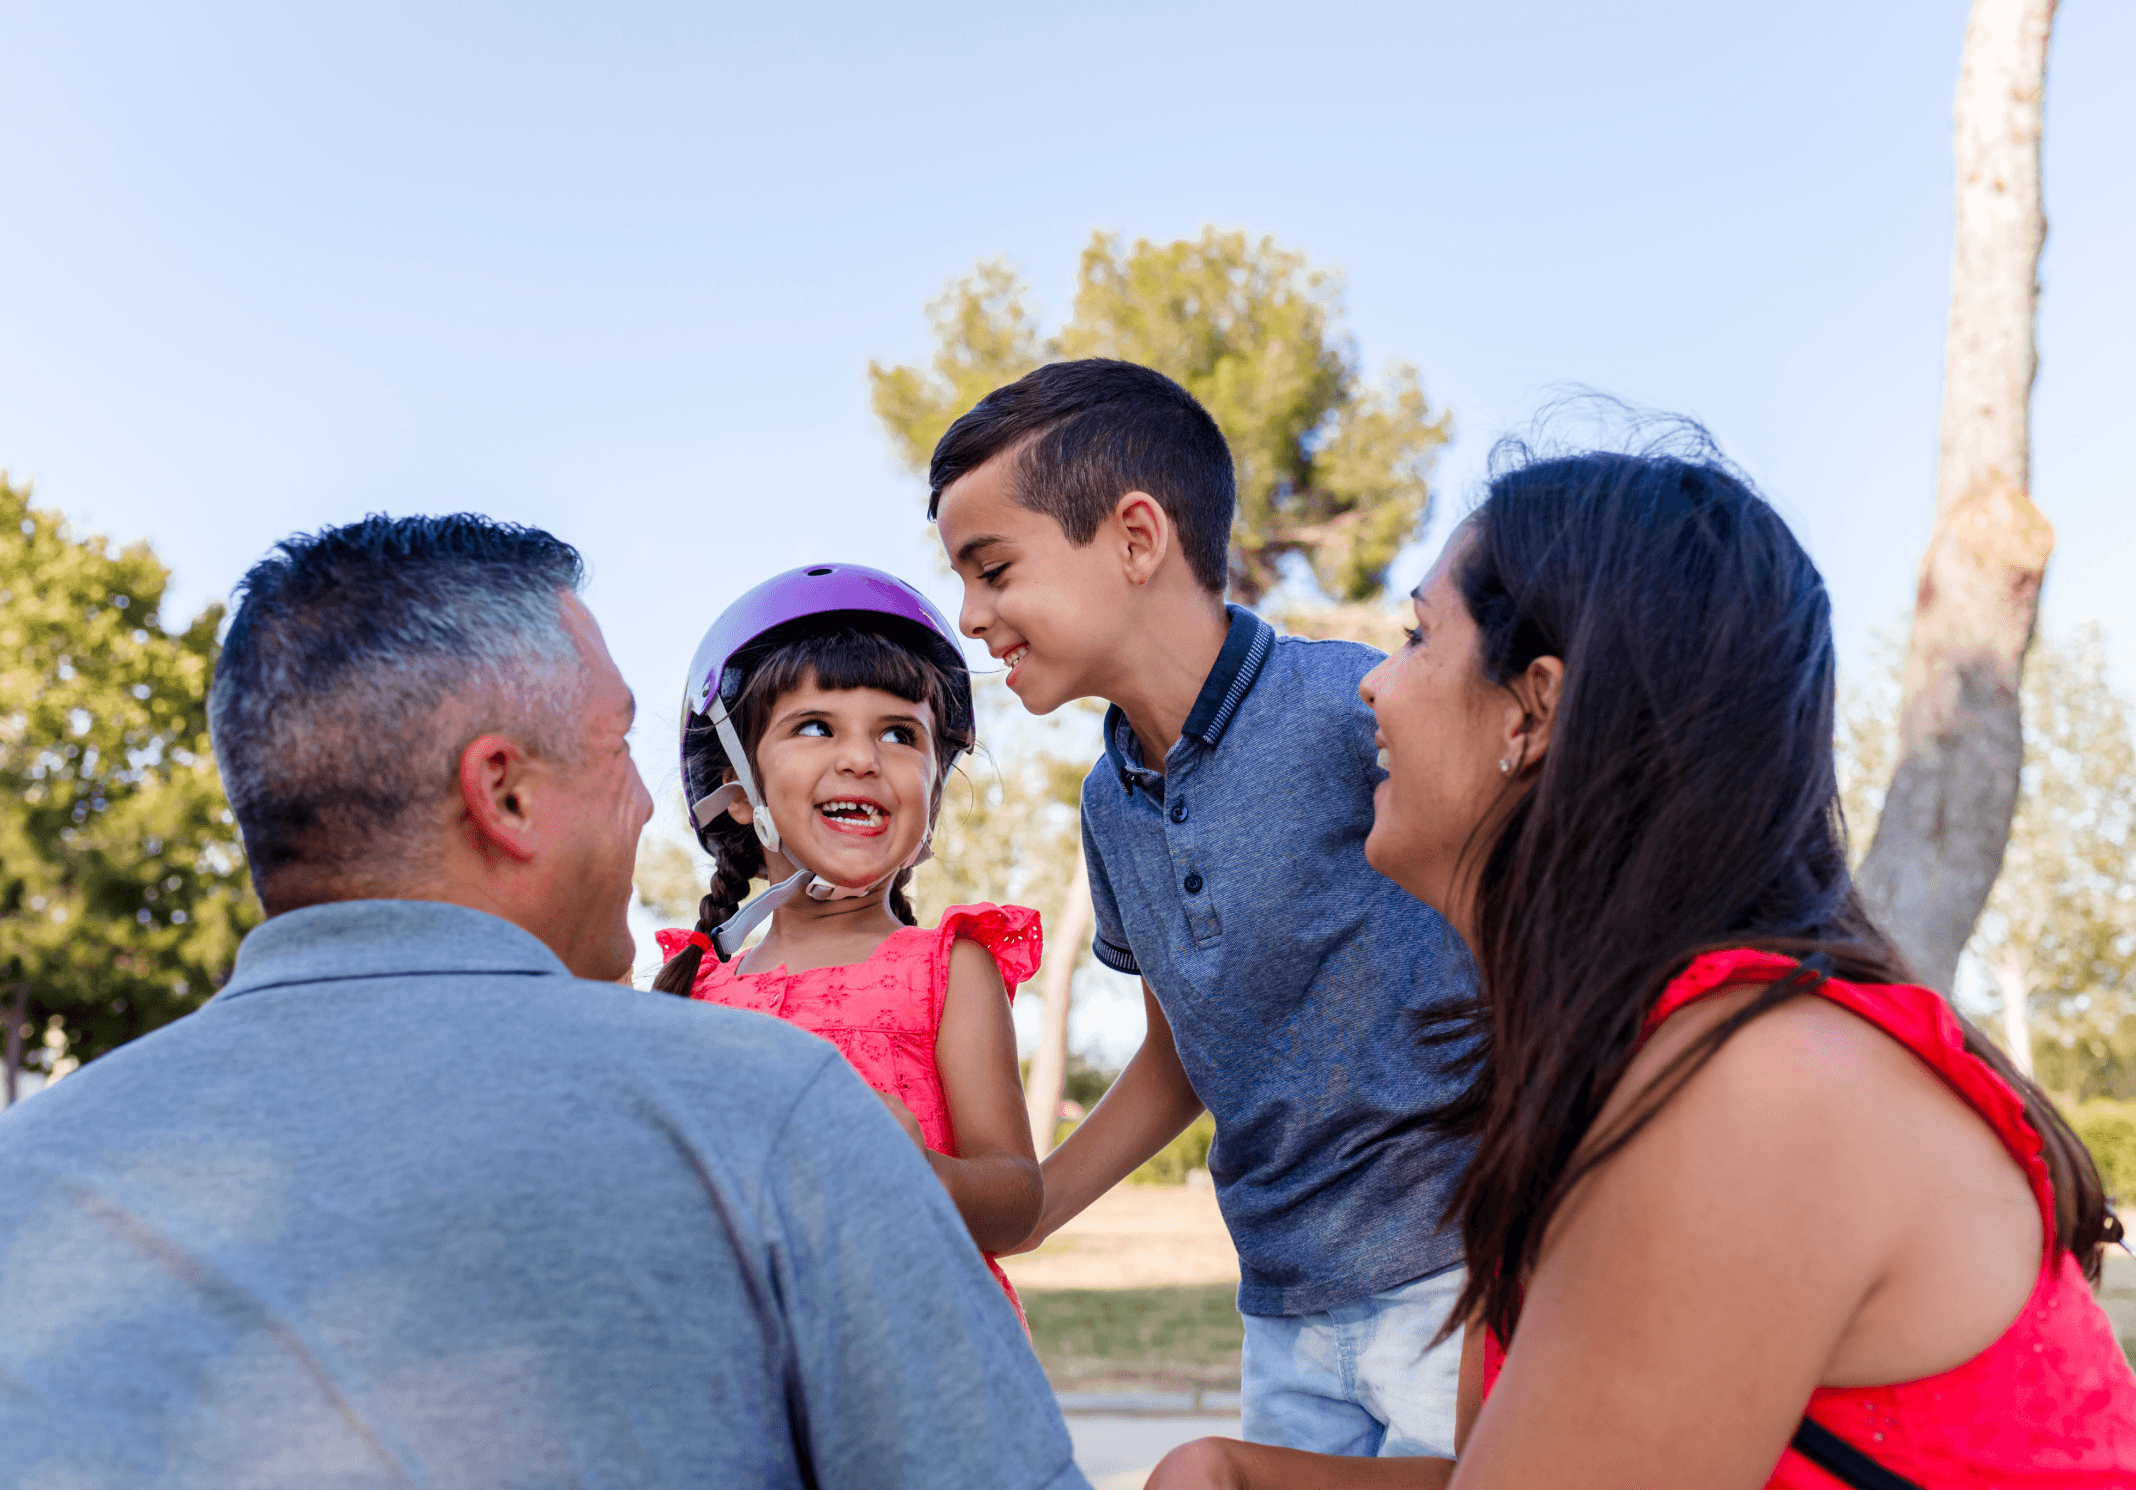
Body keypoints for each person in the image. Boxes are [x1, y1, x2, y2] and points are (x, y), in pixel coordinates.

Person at [0, 515, 1086, 1490]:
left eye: (901, 732)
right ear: (505, 791)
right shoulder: (771, 1106)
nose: (654, 798)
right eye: (618, 745)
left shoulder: (26, 1175)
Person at [1149, 429, 2136, 1488]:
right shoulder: (1635, 1065)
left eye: (1415, 635)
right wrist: (1237, 1472)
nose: (1372, 687)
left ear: (1534, 705)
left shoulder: (1752, 1093)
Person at [930, 358, 1479, 1459]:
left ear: (1138, 538)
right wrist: (1038, 1204)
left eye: (992, 568)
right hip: (1279, 1302)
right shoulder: (1108, 801)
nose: (969, 613)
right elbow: (1188, 1046)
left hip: (1456, 1278)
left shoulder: (1352, 709)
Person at [651, 562, 1041, 1319]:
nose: (862, 757)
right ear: (737, 792)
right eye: (816, 727)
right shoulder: (694, 989)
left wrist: (923, 1171)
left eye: (900, 733)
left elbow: (1017, 1200)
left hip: (927, 1359)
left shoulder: (948, 968)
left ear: (934, 787)